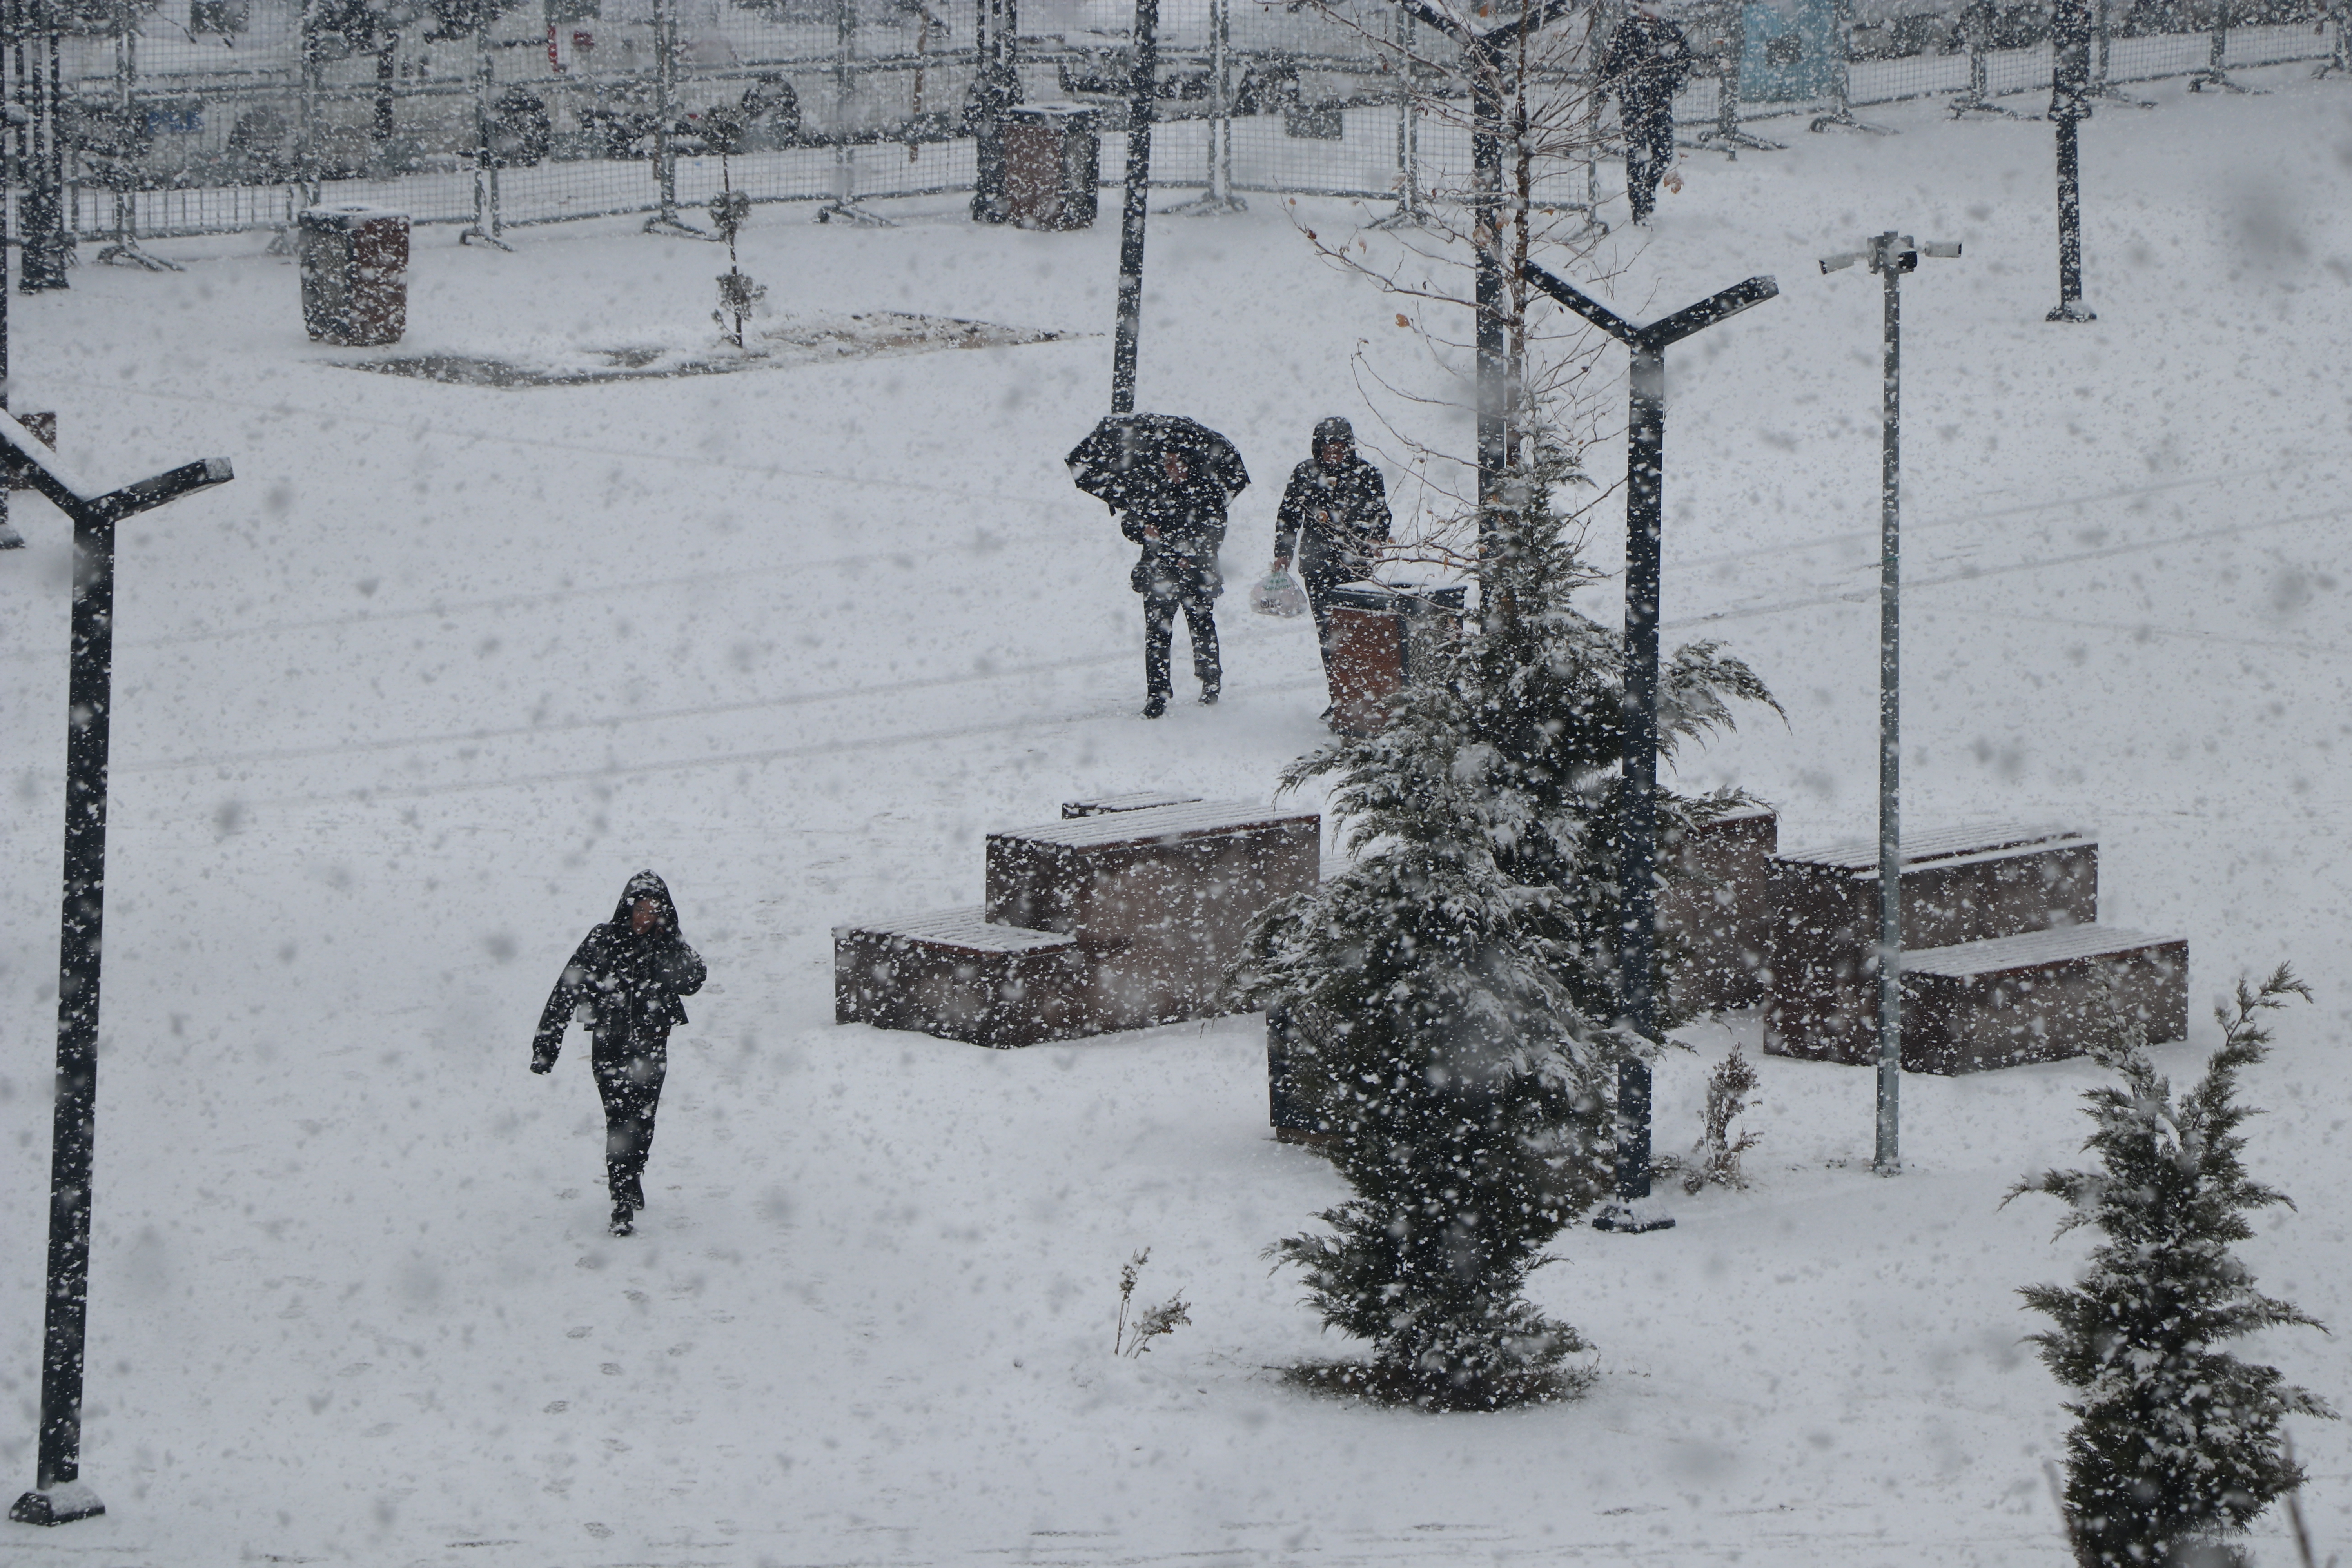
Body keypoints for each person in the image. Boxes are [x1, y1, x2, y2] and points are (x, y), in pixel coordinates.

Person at [531, 871, 707, 1237]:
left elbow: (694, 981)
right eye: (640, 909)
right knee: (619, 1122)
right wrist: (547, 1045)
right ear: (627, 909)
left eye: (654, 911)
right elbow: (567, 988)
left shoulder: (667, 944)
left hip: (652, 1047)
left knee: (643, 1122)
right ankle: (622, 1198)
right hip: (609, 1047)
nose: (645, 917)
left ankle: (634, 1172)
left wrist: (671, 944)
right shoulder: (603, 939)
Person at [1272, 416, 1392, 716]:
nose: (1333, 452)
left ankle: (1364, 696)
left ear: (1349, 446)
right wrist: (1283, 553)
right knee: (1329, 634)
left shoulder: (1367, 474)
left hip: (1356, 566)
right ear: (1318, 447)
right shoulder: (1306, 473)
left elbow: (1381, 513)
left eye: (1339, 445)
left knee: (1360, 632)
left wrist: (1376, 539)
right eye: (1327, 446)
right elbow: (1288, 516)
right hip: (1317, 566)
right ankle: (1339, 698)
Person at [1124, 447, 1234, 718]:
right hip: (1158, 572)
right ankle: (1157, 692)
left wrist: (1191, 555)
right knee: (1157, 634)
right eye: (1167, 463)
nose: (1170, 468)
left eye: (1175, 462)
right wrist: (1143, 529)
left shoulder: (1207, 491)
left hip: (1195, 573)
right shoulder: (1152, 489)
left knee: (1202, 627)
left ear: (1188, 463)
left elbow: (1216, 530)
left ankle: (1211, 681)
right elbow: (1129, 523)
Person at [1603, 2, 1696, 225]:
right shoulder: (1626, 29)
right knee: (1635, 155)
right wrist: (1609, 89)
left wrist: (1668, 82)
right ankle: (1638, 208)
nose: (1651, 10)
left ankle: (1648, 188)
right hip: (1633, 103)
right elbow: (1611, 62)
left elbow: (1685, 58)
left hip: (1660, 103)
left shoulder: (1669, 29)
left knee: (1663, 153)